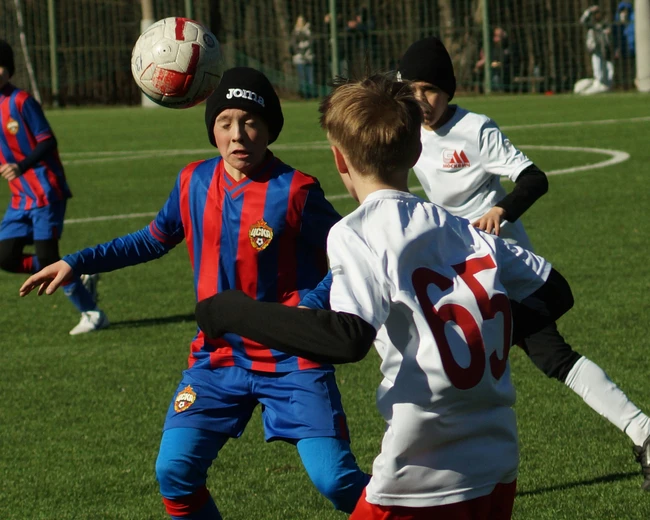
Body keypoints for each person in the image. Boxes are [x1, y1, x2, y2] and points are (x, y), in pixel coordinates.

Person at [193, 73, 575, 518]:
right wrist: (474, 333)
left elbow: (347, 338)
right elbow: (555, 290)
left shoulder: (356, 232)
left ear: (339, 158)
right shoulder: (463, 230)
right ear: (415, 151)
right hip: (497, 466)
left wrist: (234, 311)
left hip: (419, 475)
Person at [19, 67, 369, 518]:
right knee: (175, 473)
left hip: (291, 358)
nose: (237, 134)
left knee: (335, 480)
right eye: (225, 122)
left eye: (250, 122)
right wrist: (77, 261)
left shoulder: (296, 191)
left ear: (269, 129)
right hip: (217, 357)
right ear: (212, 130)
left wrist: (311, 305)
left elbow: (349, 255)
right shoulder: (193, 181)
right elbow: (151, 239)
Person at [397, 35, 650, 490]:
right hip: (457, 275)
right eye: (412, 90)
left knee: (550, 357)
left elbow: (535, 178)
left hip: (504, 272)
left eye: (430, 89)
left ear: (447, 90)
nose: (422, 100)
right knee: (439, 366)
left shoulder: (475, 130)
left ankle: (643, 430)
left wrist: (500, 210)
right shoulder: (409, 131)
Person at [0, 39, 107, 335]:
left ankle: (92, 313)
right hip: (20, 197)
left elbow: (47, 141)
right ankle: (75, 273)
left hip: (46, 191)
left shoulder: (21, 102)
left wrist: (21, 166)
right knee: (5, 256)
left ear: (9, 70)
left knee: (48, 257)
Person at [577, 5, 614, 94]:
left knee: (608, 68)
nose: (597, 15)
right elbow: (582, 21)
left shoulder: (605, 23)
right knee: (597, 67)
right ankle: (599, 83)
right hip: (596, 49)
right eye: (595, 14)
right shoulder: (592, 25)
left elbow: (609, 33)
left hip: (606, 49)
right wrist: (589, 11)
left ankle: (608, 85)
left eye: (598, 13)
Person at [290, 15, 316, 98]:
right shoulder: (295, 32)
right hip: (299, 58)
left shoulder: (309, 31)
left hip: (309, 57)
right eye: (299, 21)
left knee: (310, 77)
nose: (301, 22)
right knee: (302, 77)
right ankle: (304, 95)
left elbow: (312, 41)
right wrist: (300, 51)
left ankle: (311, 94)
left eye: (302, 20)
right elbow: (293, 44)